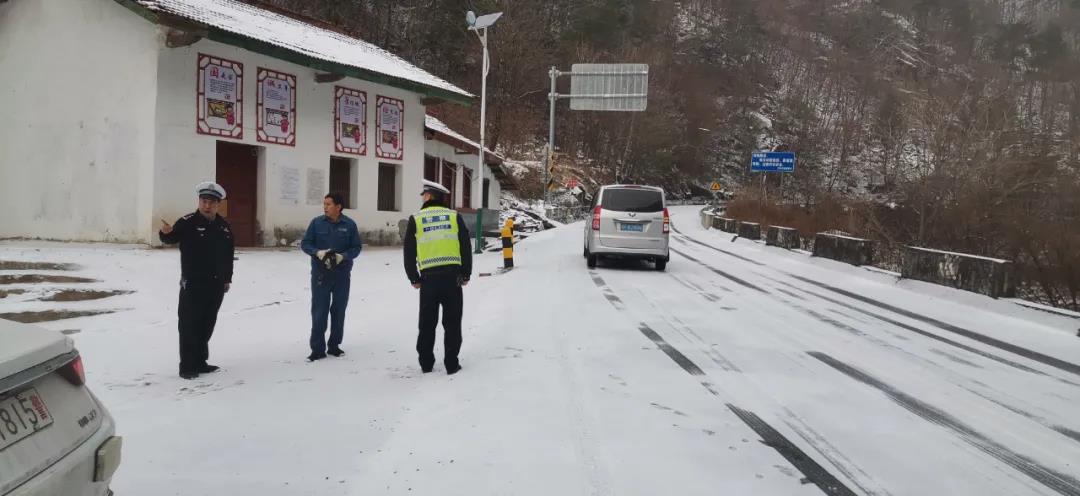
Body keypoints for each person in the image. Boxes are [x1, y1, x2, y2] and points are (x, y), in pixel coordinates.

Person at [159, 181, 234, 380]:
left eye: (211, 202)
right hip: (193, 284)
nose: (207, 205)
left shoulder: (224, 226)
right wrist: (164, 233)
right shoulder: (188, 221)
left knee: (207, 324)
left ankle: (201, 362)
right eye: (204, 201)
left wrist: (227, 279)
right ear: (199, 201)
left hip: (216, 284)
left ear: (218, 204)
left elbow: (228, 255)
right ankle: (187, 366)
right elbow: (170, 238)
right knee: (188, 324)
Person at [403, 180, 473, 374]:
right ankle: (451, 363)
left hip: (428, 280)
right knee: (452, 323)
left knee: (426, 323)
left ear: (429, 197)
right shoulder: (454, 217)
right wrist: (466, 273)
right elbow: (465, 246)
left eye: (424, 195)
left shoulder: (416, 219)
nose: (422, 198)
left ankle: (426, 363)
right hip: (453, 279)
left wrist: (413, 277)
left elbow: (409, 251)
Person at [301, 193, 362, 361]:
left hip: (342, 274)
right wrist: (317, 253)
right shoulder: (316, 223)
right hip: (321, 274)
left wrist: (344, 256)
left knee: (339, 309)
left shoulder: (349, 225)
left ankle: (334, 346)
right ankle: (317, 349)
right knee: (319, 310)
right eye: (324, 204)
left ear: (339, 206)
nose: (325, 207)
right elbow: (305, 244)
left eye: (328, 204)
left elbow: (356, 247)